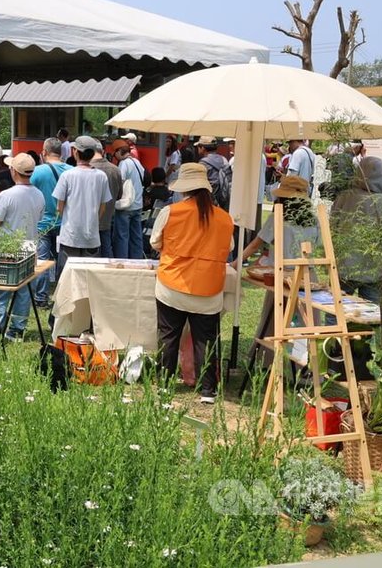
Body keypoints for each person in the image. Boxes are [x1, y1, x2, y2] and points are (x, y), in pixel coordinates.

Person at [149, 163, 234, 403]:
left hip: (172, 284)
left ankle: (165, 385)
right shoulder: (224, 219)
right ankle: (208, 390)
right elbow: (229, 248)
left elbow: (155, 242)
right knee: (205, 339)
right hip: (208, 288)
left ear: (183, 188)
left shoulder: (171, 212)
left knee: (168, 336)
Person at [237, 176, 320, 365]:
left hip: (281, 275)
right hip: (308, 274)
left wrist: (234, 264)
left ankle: (263, 362)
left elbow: (255, 245)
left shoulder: (279, 216)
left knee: (271, 321)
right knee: (308, 325)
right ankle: (308, 369)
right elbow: (318, 245)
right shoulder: (313, 218)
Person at [0, 153, 45, 349]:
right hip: (30, 247)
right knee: (24, 291)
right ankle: (16, 329)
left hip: (6, 249)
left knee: (0, 292)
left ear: (13, 171)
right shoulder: (39, 194)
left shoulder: (6, 195)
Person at [331, 156, 382, 303]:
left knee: (335, 311)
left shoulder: (344, 197)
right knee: (372, 315)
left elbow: (332, 228)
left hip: (344, 265)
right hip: (375, 268)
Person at [52, 136, 112, 278]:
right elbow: (102, 207)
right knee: (89, 278)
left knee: (67, 277)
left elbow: (59, 207)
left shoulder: (67, 175)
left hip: (70, 235)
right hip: (91, 235)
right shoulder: (101, 176)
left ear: (75, 152)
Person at [29, 137, 70, 305]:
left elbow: (29, 193)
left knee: (42, 261)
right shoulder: (71, 171)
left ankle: (41, 297)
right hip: (65, 224)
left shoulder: (37, 171)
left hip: (43, 224)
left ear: (44, 152)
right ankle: (63, 297)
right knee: (64, 262)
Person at [113, 140, 146, 259]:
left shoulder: (124, 164)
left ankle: (123, 261)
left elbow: (120, 182)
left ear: (119, 151)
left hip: (126, 206)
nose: (115, 157)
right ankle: (137, 261)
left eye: (114, 153)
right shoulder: (137, 162)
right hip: (138, 204)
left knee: (122, 237)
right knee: (136, 237)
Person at [90, 139, 122, 258]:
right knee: (106, 249)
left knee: (90, 253)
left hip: (89, 219)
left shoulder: (86, 169)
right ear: (103, 151)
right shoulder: (115, 169)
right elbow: (119, 195)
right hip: (108, 216)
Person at [197, 136, 231, 210]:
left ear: (202, 148)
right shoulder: (224, 160)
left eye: (198, 146)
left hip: (210, 203)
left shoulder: (203, 164)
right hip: (225, 202)